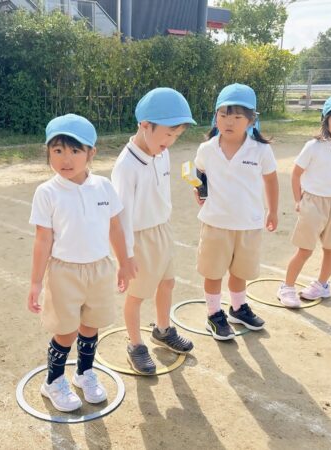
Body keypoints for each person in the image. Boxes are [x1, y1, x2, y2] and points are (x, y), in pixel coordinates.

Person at [27, 114, 133, 411]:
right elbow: (42, 240)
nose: (66, 159)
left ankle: (85, 373)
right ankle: (53, 381)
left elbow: (115, 228)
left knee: (90, 325)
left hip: (100, 268)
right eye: (58, 150)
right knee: (65, 331)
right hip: (65, 271)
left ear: (91, 153)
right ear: (48, 152)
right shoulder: (47, 192)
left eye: (75, 150)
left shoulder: (103, 186)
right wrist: (35, 282)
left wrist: (124, 262)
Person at [111, 88, 195, 375]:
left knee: (167, 283)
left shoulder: (163, 153)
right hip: (139, 237)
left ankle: (162, 329)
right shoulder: (126, 166)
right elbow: (120, 217)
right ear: (145, 125)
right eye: (168, 134)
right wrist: (125, 257)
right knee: (136, 295)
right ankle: (135, 345)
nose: (170, 141)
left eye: (177, 136)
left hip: (162, 230)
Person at [193, 83, 279, 341]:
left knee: (241, 271)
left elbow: (271, 180)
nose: (229, 121)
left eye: (237, 116)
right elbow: (198, 171)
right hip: (215, 223)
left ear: (251, 120)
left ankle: (238, 308)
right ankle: (213, 314)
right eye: (223, 115)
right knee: (213, 272)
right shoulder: (207, 148)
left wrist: (273, 211)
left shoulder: (261, 150)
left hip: (249, 223)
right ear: (215, 117)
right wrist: (199, 190)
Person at [277, 93, 331, 307]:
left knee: (330, 248)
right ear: (326, 121)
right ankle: (287, 287)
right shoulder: (314, 146)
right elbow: (296, 174)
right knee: (305, 249)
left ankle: (322, 285)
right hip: (314, 203)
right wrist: (298, 201)